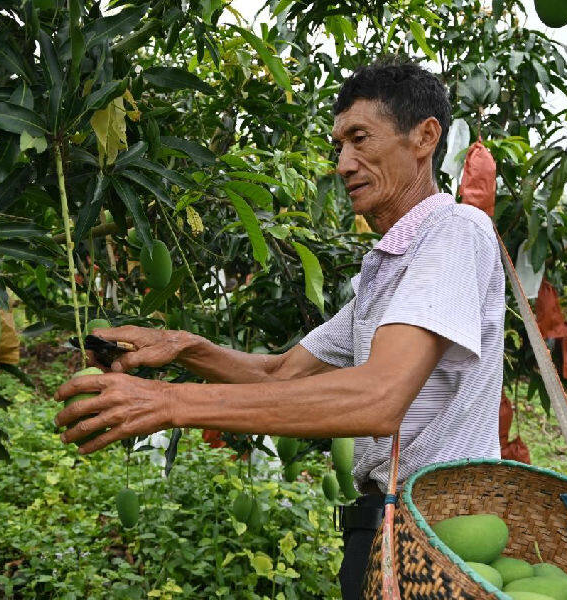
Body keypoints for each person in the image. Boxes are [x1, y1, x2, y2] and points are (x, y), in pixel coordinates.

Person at [55, 60, 505, 599]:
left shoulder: (454, 230)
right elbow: (280, 372)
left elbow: (380, 397)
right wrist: (183, 348)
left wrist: (168, 403)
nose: (343, 163)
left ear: (425, 137)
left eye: (360, 138)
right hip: (385, 519)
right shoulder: (388, 268)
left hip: (444, 528)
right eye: (338, 145)